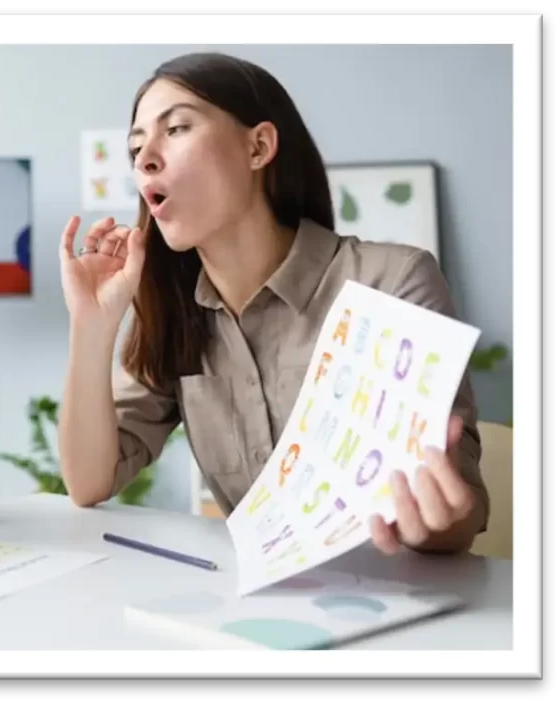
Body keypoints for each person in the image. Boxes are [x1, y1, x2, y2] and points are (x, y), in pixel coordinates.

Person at [57, 52, 489, 556]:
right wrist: (92, 326)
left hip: (393, 600)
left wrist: (439, 522)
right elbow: (88, 483)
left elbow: (459, 509)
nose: (145, 157)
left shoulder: (392, 282)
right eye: (136, 147)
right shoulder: (176, 313)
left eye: (175, 129)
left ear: (259, 145)